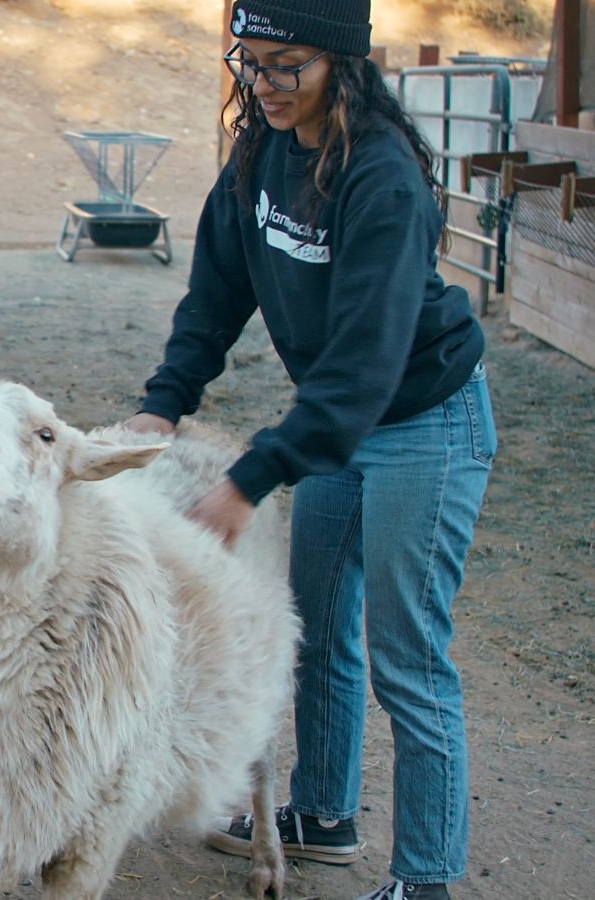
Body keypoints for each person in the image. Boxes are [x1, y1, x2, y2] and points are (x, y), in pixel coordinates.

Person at [121, 3, 495, 899]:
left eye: (287, 65)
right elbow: (215, 289)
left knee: (408, 655)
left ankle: (427, 880)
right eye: (250, 63)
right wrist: (163, 407)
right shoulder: (259, 155)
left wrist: (253, 477)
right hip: (336, 424)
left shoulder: (383, 176)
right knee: (317, 628)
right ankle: (321, 815)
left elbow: (366, 360)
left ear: (342, 61)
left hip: (424, 423)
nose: (265, 86)